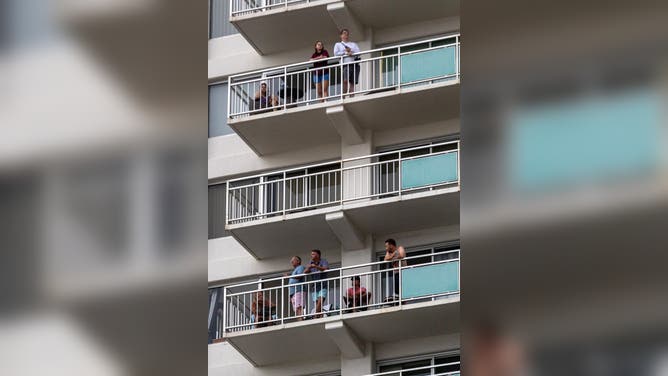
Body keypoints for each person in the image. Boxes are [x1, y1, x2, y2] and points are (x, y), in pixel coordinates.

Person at [333, 29, 361, 97]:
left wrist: (351, 51)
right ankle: (343, 97)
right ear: (341, 35)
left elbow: (358, 52)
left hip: (354, 64)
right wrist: (345, 53)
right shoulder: (338, 44)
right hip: (345, 65)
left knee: (352, 82)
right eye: (344, 33)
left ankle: (351, 97)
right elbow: (336, 54)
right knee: (345, 81)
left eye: (347, 34)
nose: (346, 35)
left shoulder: (353, 44)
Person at [304, 249, 329, 318]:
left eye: (313, 254)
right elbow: (305, 272)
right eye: (311, 254)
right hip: (314, 286)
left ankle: (315, 317)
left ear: (318, 255)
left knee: (320, 303)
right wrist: (309, 267)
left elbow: (326, 268)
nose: (311, 256)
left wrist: (316, 266)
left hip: (322, 285)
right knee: (317, 304)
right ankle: (320, 317)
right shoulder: (311, 262)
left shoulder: (323, 261)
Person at [286, 256, 306, 320]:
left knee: (299, 306)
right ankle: (299, 320)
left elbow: (299, 276)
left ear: (298, 261)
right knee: (296, 308)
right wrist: (290, 296)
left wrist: (289, 276)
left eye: (293, 260)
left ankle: (300, 320)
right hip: (294, 292)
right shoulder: (294, 270)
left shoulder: (300, 267)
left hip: (298, 290)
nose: (291, 262)